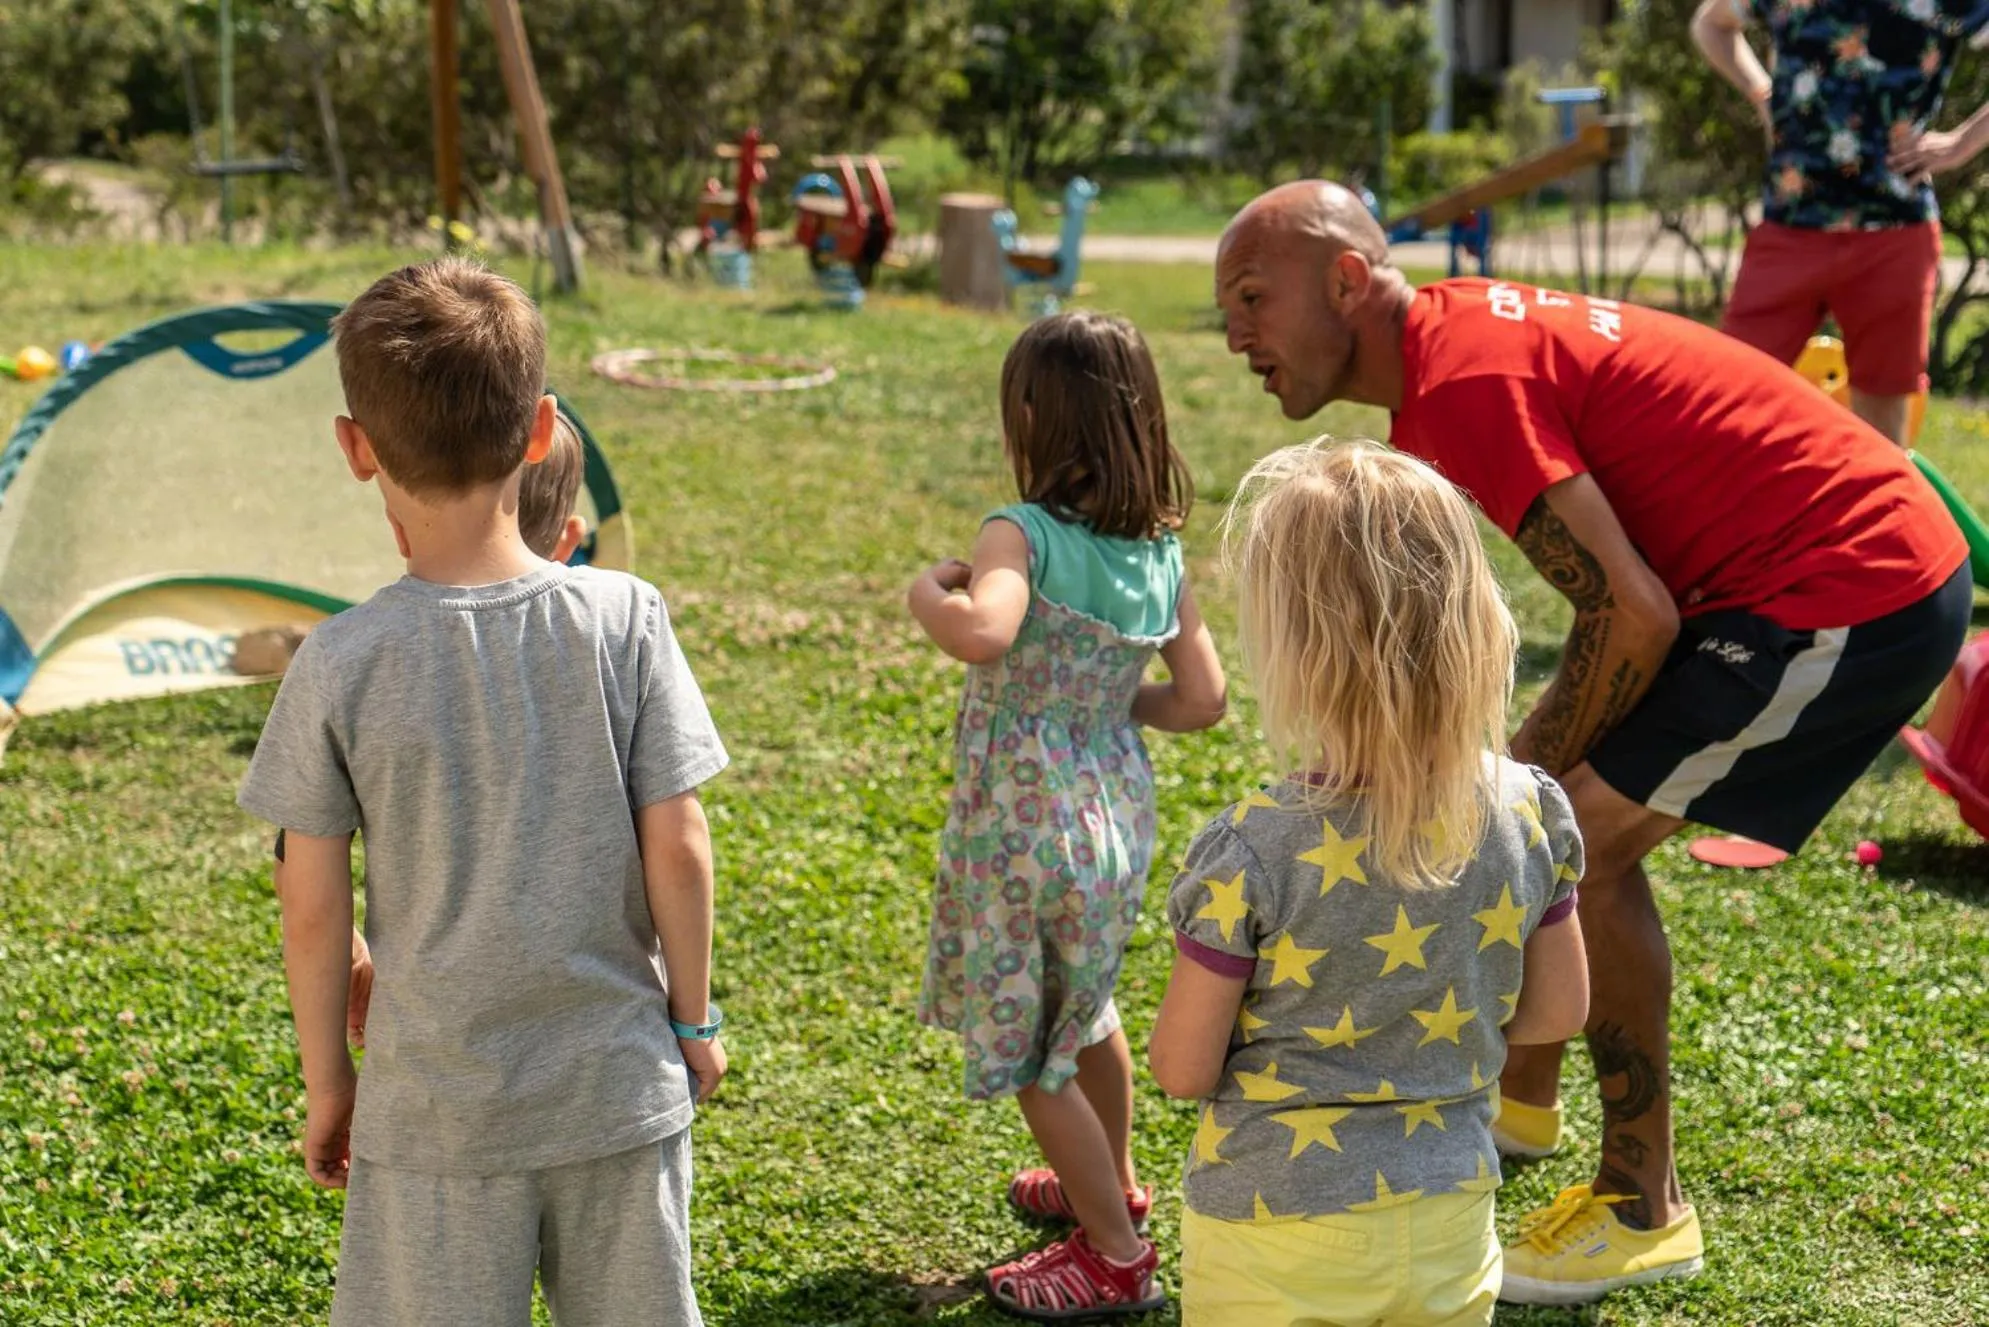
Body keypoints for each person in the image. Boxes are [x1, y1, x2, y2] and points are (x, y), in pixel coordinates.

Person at [1213, 181, 1971, 1305]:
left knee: (1577, 846)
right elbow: (1624, 605)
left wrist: (1507, 784)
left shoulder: (1459, 381)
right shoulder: (1444, 351)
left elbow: (1632, 612)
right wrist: (1516, 784)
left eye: (1251, 297)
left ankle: (1640, 1205)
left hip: (1851, 584)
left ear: (1345, 280)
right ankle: (1523, 1101)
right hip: (1776, 578)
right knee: (1541, 820)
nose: (1235, 334)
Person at [237, 257, 730, 1327]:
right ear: (543, 429)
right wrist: (694, 1019)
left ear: (356, 448)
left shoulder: (338, 661)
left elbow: (310, 904)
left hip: (433, 1115)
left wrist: (331, 1084)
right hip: (617, 1091)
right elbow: (681, 844)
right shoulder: (627, 618)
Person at [1148, 440, 1590, 1327]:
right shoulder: (1529, 810)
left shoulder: (1251, 847)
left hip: (1272, 1226)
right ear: (1474, 618)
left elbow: (1182, 1067)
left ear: (1295, 648)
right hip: (1448, 1215)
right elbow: (1556, 1012)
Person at [907, 311, 1228, 1321]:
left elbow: (984, 631)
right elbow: (1202, 700)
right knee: (1084, 1011)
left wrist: (927, 596)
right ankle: (1112, 1183)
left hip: (1025, 828)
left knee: (1033, 1055)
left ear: (1035, 417)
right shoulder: (1159, 553)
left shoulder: (1019, 533)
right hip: (1113, 820)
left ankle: (1117, 1256)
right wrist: (1100, 703)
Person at [262, 411, 595, 1048]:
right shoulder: (614, 638)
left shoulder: (355, 660)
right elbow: (675, 843)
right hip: (605, 1053)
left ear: (402, 526)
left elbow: (298, 875)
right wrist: (692, 1016)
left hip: (427, 1055)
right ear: (570, 539)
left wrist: (353, 961)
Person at [1692, 0, 1989, 444]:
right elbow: (1711, 25)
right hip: (1789, 227)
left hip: (1893, 233)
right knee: (1726, 399)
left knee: (1880, 432)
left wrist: (1961, 144)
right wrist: (1761, 93)